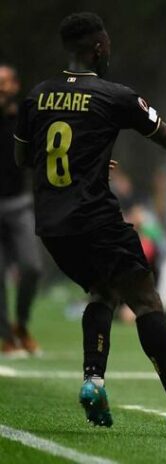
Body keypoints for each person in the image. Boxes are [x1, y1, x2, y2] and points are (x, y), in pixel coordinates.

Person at [13, 12, 166, 434]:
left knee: (101, 291)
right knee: (146, 301)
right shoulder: (114, 96)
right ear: (99, 47)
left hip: (52, 228)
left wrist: (82, 162)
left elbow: (25, 159)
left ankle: (93, 380)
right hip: (97, 221)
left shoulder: (35, 97)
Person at [0, 64, 43, 357]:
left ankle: (22, 325)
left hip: (18, 202)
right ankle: (5, 337)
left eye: (5, 82)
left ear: (15, 85)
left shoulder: (24, 118)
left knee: (32, 266)